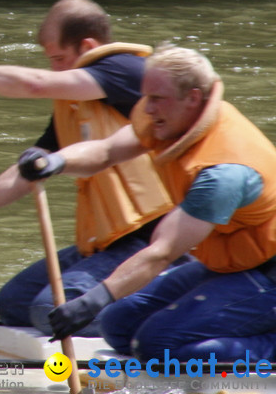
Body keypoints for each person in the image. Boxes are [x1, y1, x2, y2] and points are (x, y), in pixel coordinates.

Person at [0, 0, 174, 336]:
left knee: (48, 310)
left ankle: (167, 306)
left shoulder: (125, 70)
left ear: (87, 45)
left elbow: (34, 84)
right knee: (13, 303)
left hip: (156, 244)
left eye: (59, 59)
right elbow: (22, 177)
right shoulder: (77, 106)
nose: (55, 69)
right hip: (106, 241)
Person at [18, 45, 276, 360]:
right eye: (146, 96)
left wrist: (91, 300)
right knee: (117, 325)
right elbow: (105, 151)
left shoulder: (223, 175)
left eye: (157, 98)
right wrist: (52, 161)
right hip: (233, 261)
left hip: (267, 273)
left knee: (157, 346)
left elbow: (161, 252)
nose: (147, 108)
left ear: (193, 97)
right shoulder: (171, 119)